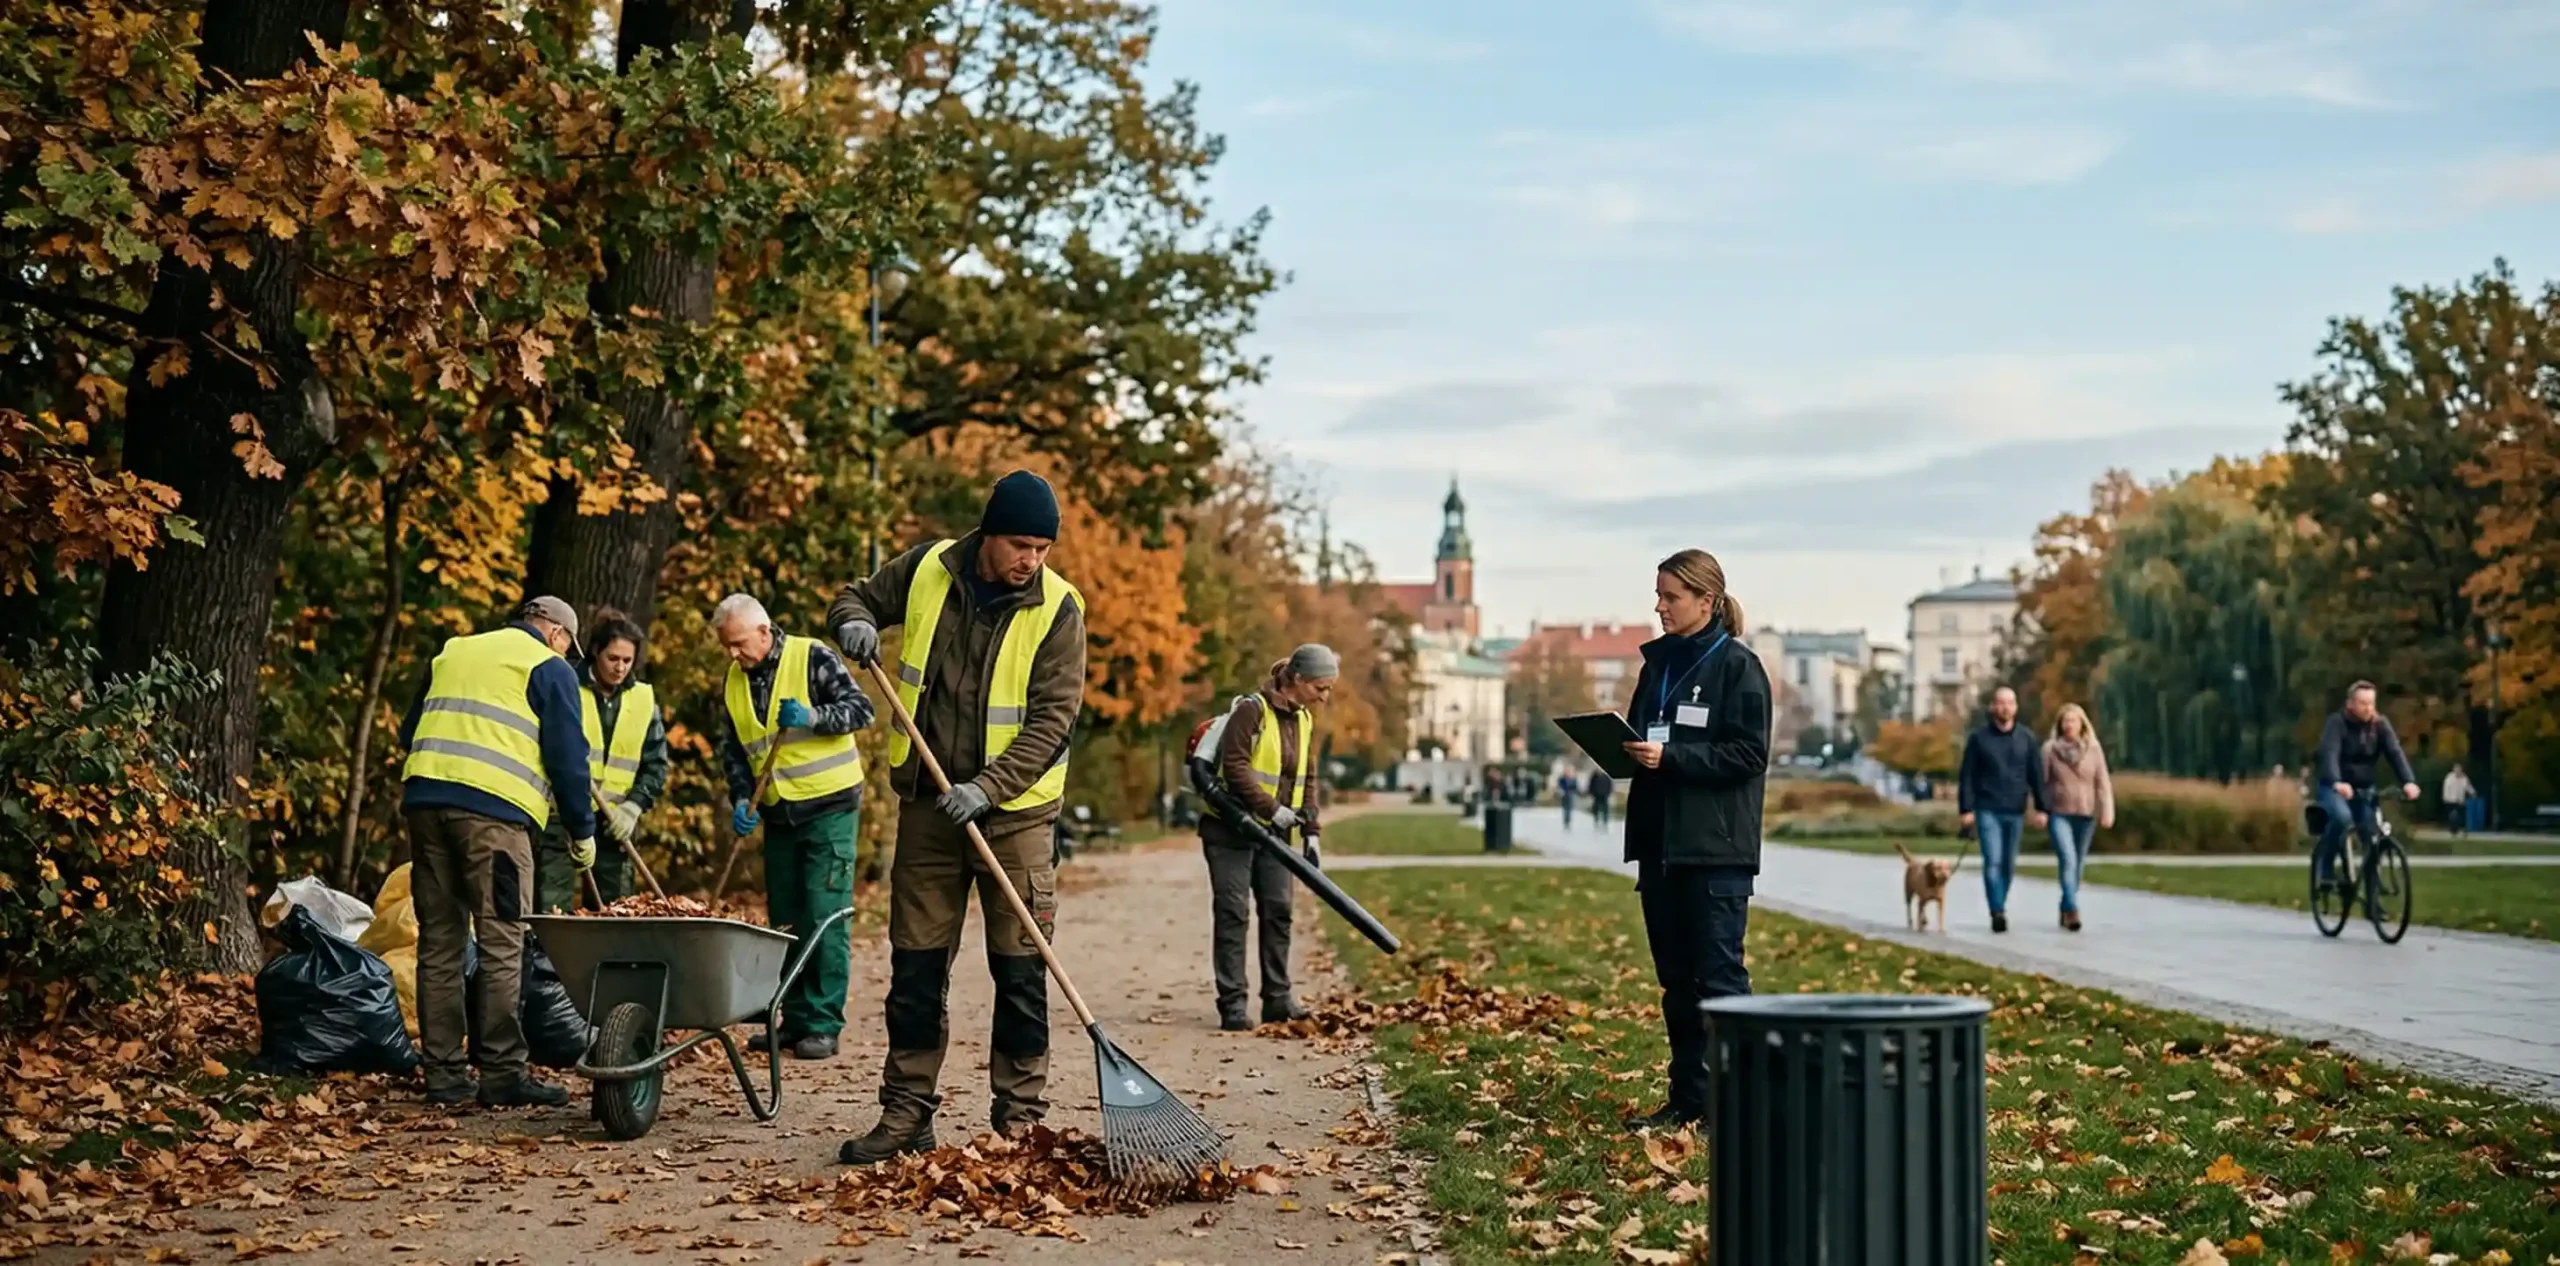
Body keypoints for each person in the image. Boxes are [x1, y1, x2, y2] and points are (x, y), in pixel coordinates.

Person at [826, 469, 1087, 1162]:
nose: (1031, 560)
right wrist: (854, 621)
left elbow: (1052, 722)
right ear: (988, 534)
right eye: (1021, 545)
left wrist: (988, 787)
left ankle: (1019, 1122)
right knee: (915, 967)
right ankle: (906, 1112)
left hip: (1017, 817)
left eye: (1042, 548)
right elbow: (855, 596)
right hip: (928, 808)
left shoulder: (1059, 610)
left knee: (1021, 973)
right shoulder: (927, 570)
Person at [398, 596, 595, 1108]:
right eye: (568, 647)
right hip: (494, 820)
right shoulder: (548, 668)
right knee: (503, 941)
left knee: (439, 943)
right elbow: (568, 759)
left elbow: (408, 732)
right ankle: (503, 1071)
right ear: (556, 633)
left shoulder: (454, 651)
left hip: (425, 805)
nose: (566, 656)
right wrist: (582, 831)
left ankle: (444, 1074)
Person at [1617, 548, 1771, 1133]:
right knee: (1677, 985)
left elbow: (1749, 754)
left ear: (1707, 601)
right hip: (1660, 847)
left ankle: (1739, 1104)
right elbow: (1644, 736)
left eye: (1671, 596)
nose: (1660, 607)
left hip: (1715, 851)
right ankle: (1689, 1101)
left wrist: (1673, 757)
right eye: (1658, 595)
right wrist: (1622, 748)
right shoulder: (1655, 665)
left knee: (1720, 981)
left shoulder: (1739, 667)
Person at [714, 593, 873, 1062]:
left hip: (829, 807)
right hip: (779, 812)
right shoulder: (734, 681)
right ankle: (794, 1017)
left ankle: (823, 1023)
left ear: (764, 632)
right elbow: (734, 750)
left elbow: (861, 710)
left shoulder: (812, 657)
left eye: (739, 644)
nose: (733, 654)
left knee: (824, 913)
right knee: (785, 920)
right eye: (726, 646)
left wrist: (812, 716)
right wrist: (741, 797)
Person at [1200, 645, 1336, 1031]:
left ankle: (1278, 998)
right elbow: (1236, 766)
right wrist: (1270, 808)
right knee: (1233, 913)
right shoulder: (1252, 710)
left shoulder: (1304, 718)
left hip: (1275, 835)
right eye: (1320, 688)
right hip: (1230, 829)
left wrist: (1311, 832)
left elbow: (1308, 777)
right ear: (1297, 678)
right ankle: (1233, 1004)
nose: (1324, 697)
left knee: (1279, 911)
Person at [535, 607, 668, 911]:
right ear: (595, 651)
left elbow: (656, 765)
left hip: (614, 825)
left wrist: (634, 807)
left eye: (627, 661)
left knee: (616, 913)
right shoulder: (566, 684)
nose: (620, 668)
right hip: (561, 818)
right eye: (613, 658)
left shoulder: (643, 700)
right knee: (552, 909)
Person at [2313, 681, 2420, 890]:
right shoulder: (2337, 723)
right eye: (2363, 703)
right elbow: (2330, 753)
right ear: (2350, 704)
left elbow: (2394, 752)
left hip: (2364, 789)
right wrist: (2337, 781)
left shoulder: (2380, 725)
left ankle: (2373, 891)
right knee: (2342, 818)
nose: (2368, 708)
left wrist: (2408, 781)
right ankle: (2325, 867)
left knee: (2372, 835)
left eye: (2371, 703)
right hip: (2335, 787)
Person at [1958, 686, 2045, 934]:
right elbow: (1967, 776)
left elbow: (2036, 775)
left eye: (2010, 703)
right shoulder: (1979, 738)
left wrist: (2042, 807)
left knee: (2008, 864)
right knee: (1993, 860)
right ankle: (1997, 911)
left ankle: (2000, 904)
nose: (2005, 708)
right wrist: (1966, 809)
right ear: (1993, 707)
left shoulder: (2026, 738)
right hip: (1987, 808)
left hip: (2015, 809)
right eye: (2001, 703)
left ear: (2015, 708)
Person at [2039, 703, 2113, 933]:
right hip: (2059, 813)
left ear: (2082, 724)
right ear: (2060, 724)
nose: (2069, 724)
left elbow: (2102, 781)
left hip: (2086, 813)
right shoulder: (2049, 750)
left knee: (2078, 863)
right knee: (2068, 859)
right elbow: (2041, 783)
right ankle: (2072, 909)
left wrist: (2107, 809)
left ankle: (2065, 904)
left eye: (2073, 720)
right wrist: (2040, 810)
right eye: (2066, 720)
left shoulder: (2094, 749)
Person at [2441, 763, 2473, 837]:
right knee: (2453, 816)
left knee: (2461, 816)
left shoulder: (2464, 778)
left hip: (2460, 800)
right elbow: (2446, 788)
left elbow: (2468, 786)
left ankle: (2463, 830)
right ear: (2454, 770)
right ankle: (2453, 831)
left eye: (2459, 770)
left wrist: (2472, 792)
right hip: (2450, 800)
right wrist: (2445, 798)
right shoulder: (2449, 778)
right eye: (2456, 770)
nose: (2458, 771)